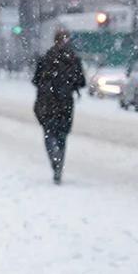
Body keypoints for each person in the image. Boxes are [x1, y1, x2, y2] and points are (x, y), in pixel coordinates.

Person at [32, 28, 86, 185]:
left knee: (49, 133)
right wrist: (69, 85)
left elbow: (36, 80)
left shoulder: (46, 58)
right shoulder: (73, 60)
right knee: (62, 135)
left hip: (48, 101)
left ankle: (54, 159)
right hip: (65, 102)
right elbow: (81, 82)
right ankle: (59, 163)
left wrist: (47, 85)